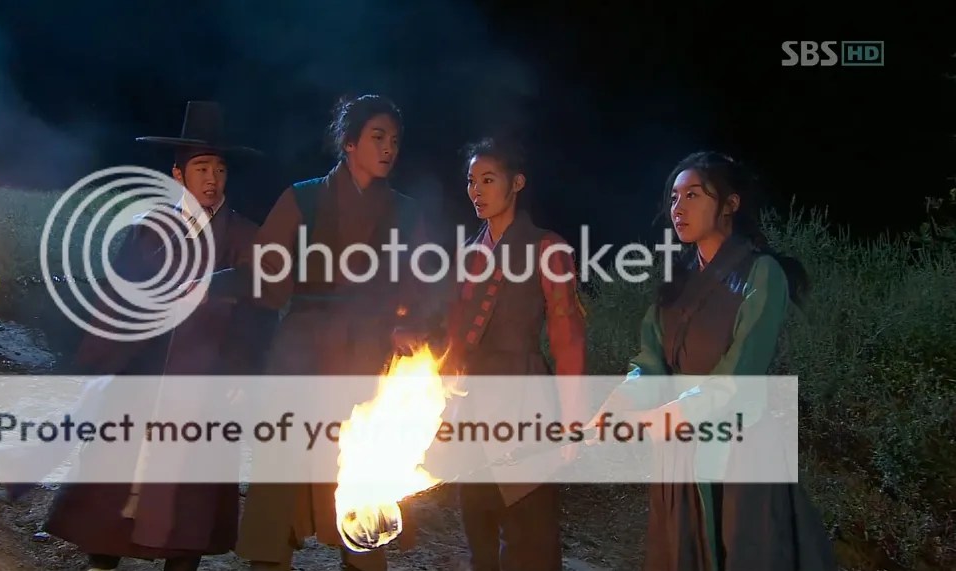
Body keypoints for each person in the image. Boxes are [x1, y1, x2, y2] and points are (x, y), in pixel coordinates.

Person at [207, 94, 435, 571]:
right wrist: (208, 285)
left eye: (395, 141)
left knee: (364, 476)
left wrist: (408, 323)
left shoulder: (406, 213)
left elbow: (420, 286)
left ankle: (363, 556)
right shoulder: (303, 199)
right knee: (282, 468)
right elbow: (264, 274)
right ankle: (270, 561)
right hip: (302, 354)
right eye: (377, 137)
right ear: (349, 143)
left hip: (368, 359)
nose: (388, 148)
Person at [587, 151, 836, 571]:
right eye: (674, 197)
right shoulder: (675, 283)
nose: (678, 208)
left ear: (730, 203)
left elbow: (738, 376)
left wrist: (659, 418)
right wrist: (614, 406)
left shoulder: (762, 274)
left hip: (740, 451)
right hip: (680, 453)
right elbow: (649, 365)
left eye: (693, 195)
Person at [41, 101, 263, 571]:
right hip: (142, 374)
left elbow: (258, 307)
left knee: (191, 501)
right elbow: (117, 299)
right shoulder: (148, 230)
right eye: (201, 168)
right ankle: (102, 561)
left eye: (220, 169)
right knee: (112, 488)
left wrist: (241, 370)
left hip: (205, 382)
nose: (212, 179)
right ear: (178, 175)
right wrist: (102, 361)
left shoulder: (245, 237)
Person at [393, 136, 589, 571]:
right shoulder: (468, 253)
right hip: (470, 405)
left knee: (529, 529)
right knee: (479, 527)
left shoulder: (547, 248)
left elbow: (568, 339)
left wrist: (572, 419)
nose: (476, 191)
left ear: (516, 183)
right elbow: (454, 333)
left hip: (524, 401)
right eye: (471, 181)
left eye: (488, 179)